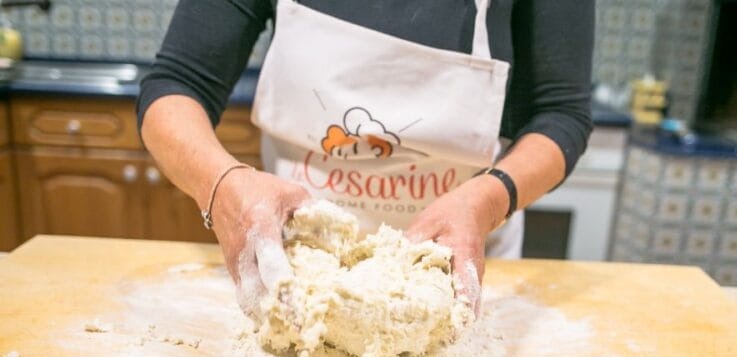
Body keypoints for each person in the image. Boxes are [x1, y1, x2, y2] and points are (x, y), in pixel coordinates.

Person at [137, 0, 594, 315]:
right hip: (293, 269)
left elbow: (561, 116)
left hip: (455, 274)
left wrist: (486, 204)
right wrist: (223, 186)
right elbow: (176, 85)